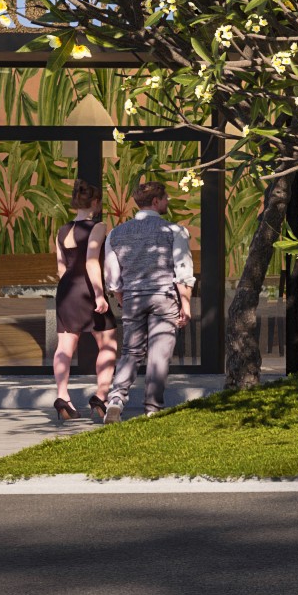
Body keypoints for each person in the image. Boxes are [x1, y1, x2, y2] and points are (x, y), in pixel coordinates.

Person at [99, 176, 195, 420]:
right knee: (159, 353)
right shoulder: (174, 231)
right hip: (164, 296)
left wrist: (122, 298)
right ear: (156, 201)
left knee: (130, 351)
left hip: (133, 297)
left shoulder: (117, 234)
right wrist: (185, 304)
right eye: (165, 198)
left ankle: (116, 399)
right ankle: (152, 408)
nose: (167, 201)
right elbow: (183, 270)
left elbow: (112, 276)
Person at [47, 181, 111, 427]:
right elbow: (92, 262)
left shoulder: (62, 231)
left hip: (66, 291)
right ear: (94, 203)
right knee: (107, 342)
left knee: (64, 346)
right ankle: (100, 396)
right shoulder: (98, 226)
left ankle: (63, 396)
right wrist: (98, 294)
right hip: (87, 290)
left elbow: (61, 268)